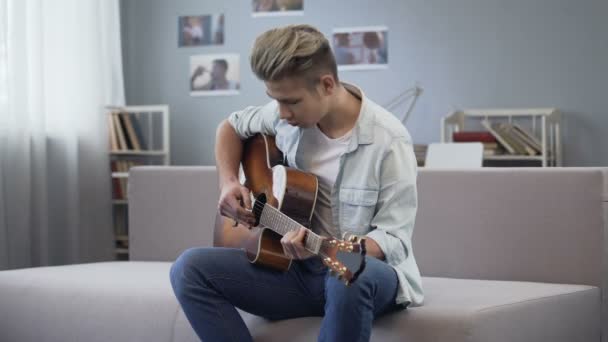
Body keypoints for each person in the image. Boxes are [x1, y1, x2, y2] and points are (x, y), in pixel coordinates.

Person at [171, 24, 423, 342]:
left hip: (360, 270)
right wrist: (229, 182)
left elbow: (394, 241)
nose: (281, 113)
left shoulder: (390, 141)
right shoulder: (284, 116)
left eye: (290, 102)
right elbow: (230, 127)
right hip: (295, 272)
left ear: (327, 85)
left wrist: (323, 247)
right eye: (274, 100)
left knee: (346, 271)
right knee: (188, 268)